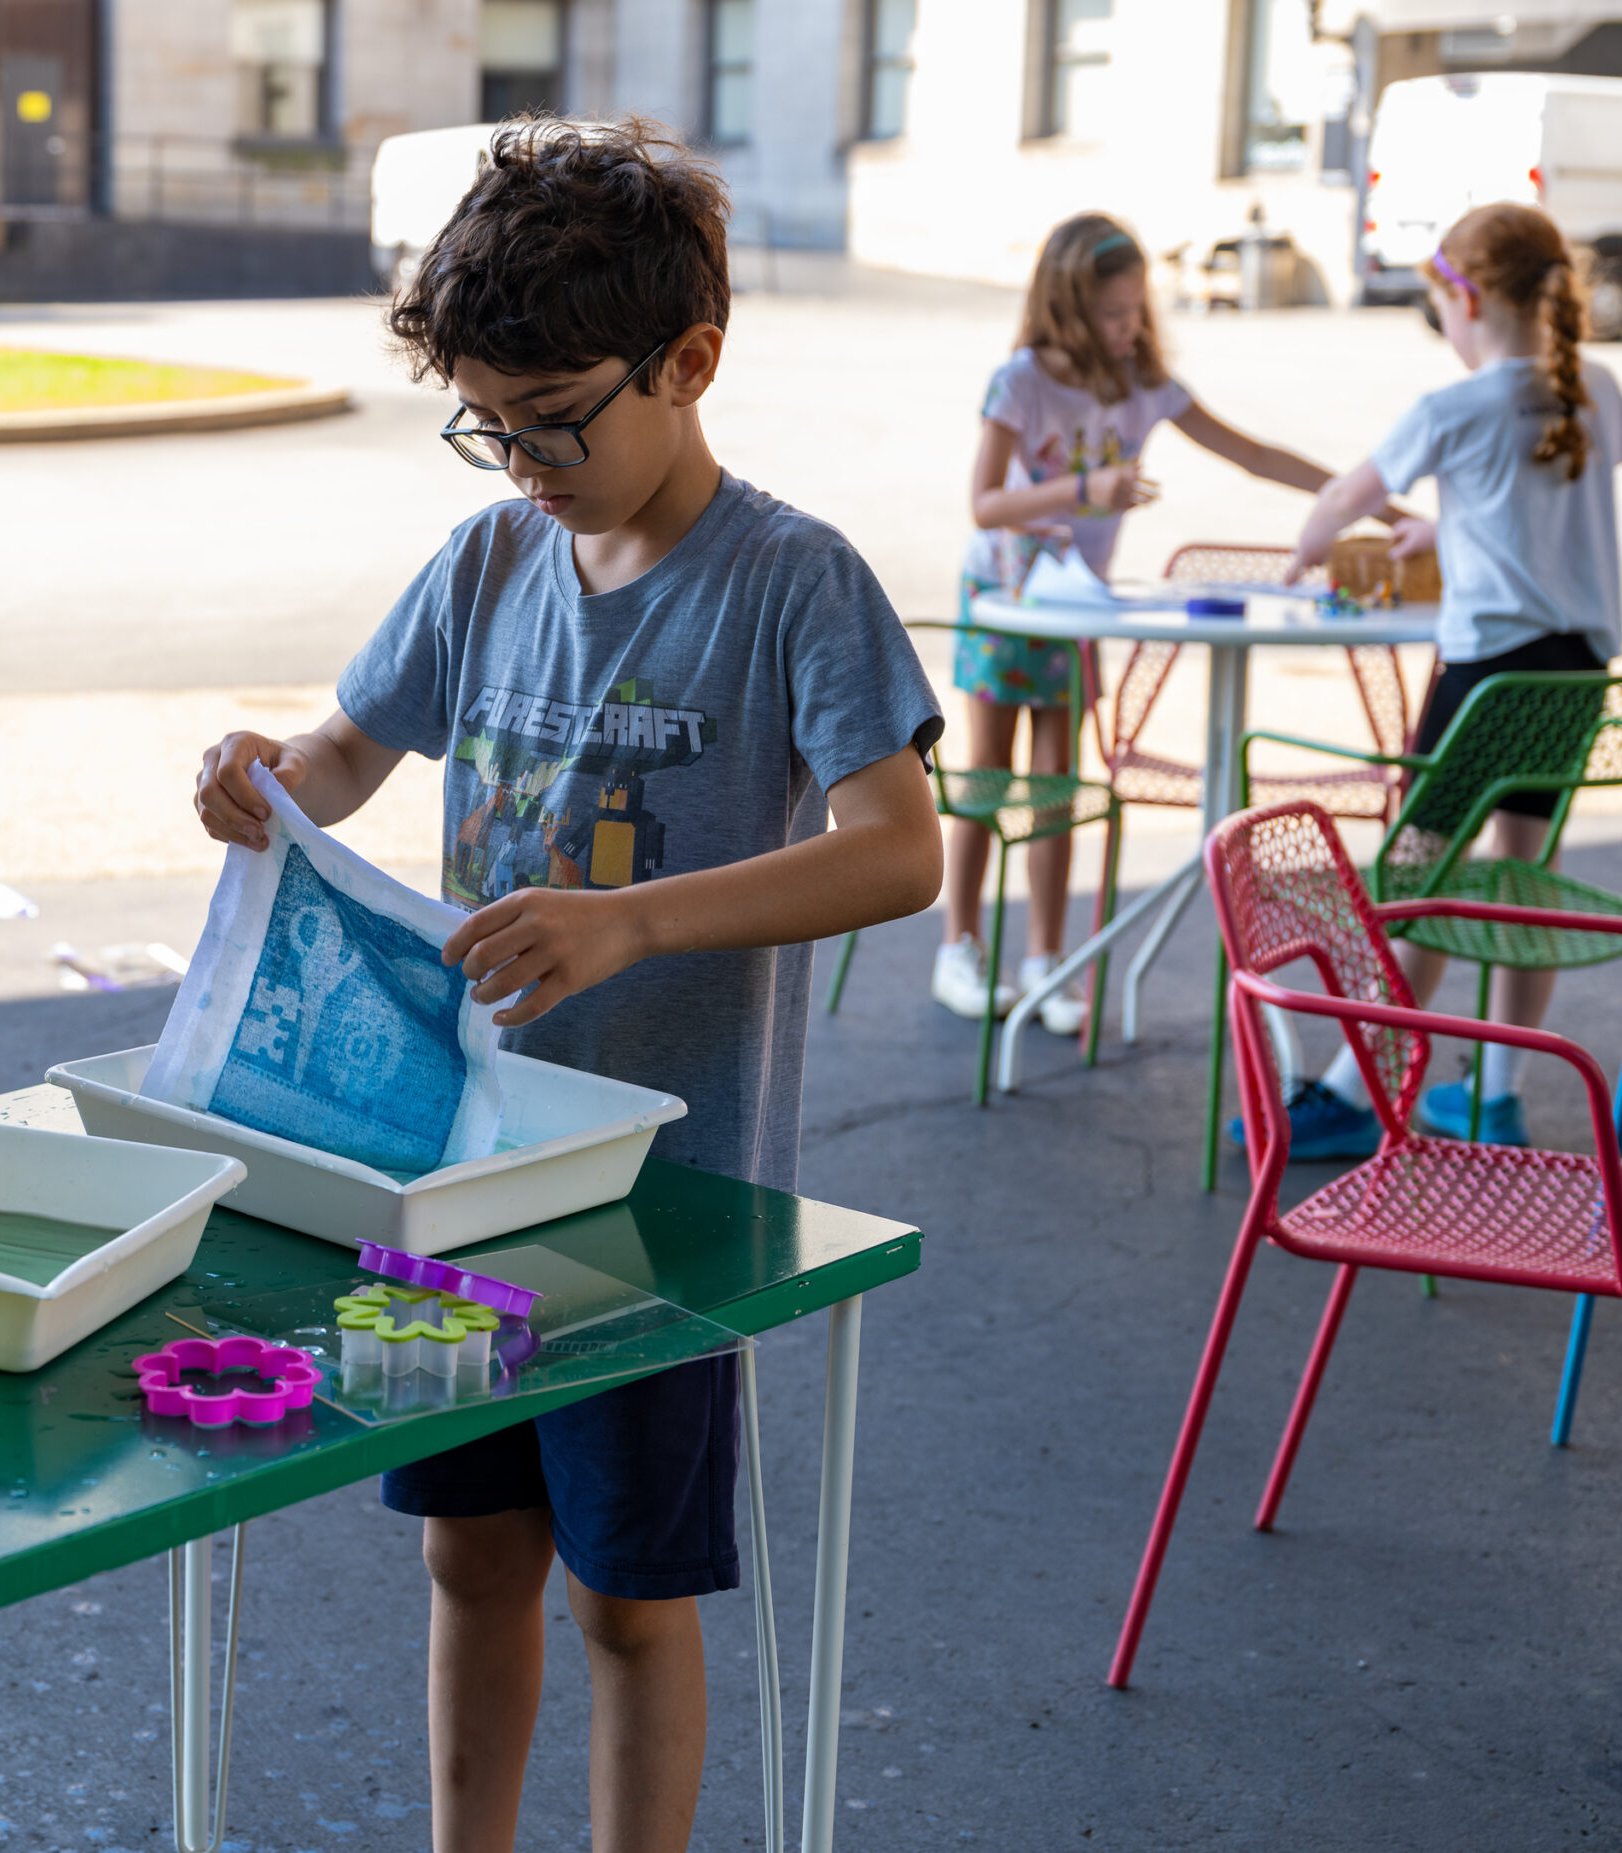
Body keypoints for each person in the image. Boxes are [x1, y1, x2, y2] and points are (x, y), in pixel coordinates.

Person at [190, 121, 944, 1853]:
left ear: (689, 364)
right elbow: (343, 750)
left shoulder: (791, 581)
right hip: (451, 1177)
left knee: (627, 1590)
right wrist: (260, 776)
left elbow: (900, 853)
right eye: (488, 425)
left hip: (656, 1208)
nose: (521, 461)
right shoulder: (486, 563)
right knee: (470, 1551)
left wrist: (634, 921)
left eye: (554, 420)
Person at [942, 212, 1402, 1030]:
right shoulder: (1021, 380)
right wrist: (1087, 492)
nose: (1130, 328)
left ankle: (1049, 961)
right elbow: (985, 503)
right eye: (1113, 315)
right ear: (1068, 307)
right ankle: (961, 946)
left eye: (1136, 311)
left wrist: (1366, 498)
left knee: (1060, 779)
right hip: (1008, 596)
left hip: (1075, 603)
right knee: (989, 771)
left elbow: (1252, 453)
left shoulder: (1143, 383)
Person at [1259, 200, 1622, 1156]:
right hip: (1574, 677)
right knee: (1519, 877)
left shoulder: (1452, 406)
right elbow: (1542, 507)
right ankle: (1492, 1094)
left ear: (1462, 300)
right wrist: (1450, 531)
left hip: (1486, 681)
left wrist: (1305, 549)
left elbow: (1347, 496)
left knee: (1418, 879)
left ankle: (1360, 1086)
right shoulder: (1595, 386)